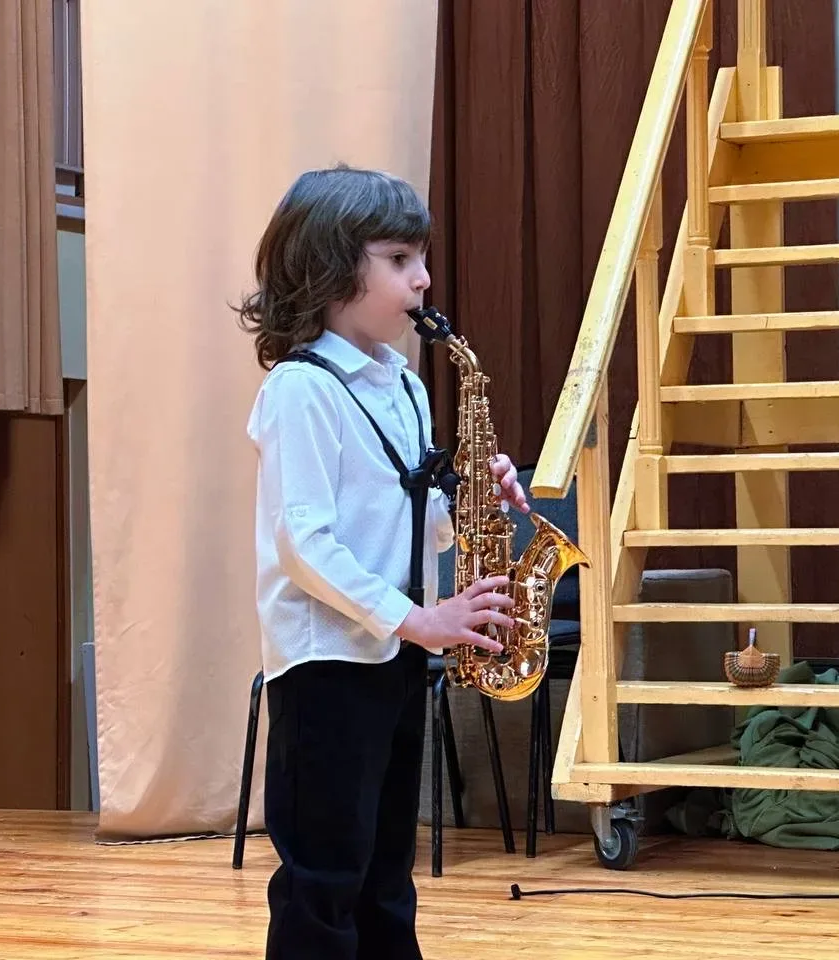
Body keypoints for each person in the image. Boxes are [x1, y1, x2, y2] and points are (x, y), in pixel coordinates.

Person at [238, 164, 529, 960]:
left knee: (387, 874)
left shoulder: (404, 385)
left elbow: (418, 527)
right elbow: (304, 544)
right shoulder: (301, 388)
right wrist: (418, 620)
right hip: (326, 663)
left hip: (392, 654)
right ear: (333, 268)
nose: (423, 278)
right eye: (400, 260)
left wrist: (472, 499)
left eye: (420, 258)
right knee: (324, 877)